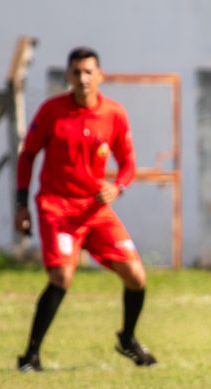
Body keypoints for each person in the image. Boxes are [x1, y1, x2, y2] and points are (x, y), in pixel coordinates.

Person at [15, 47, 157, 371]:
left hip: (94, 209)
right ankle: (30, 355)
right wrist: (21, 204)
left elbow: (129, 163)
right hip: (57, 207)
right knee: (62, 275)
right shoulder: (52, 111)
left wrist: (117, 186)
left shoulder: (114, 114)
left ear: (100, 75)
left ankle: (128, 338)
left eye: (88, 72)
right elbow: (27, 155)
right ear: (68, 76)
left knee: (136, 276)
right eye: (76, 72)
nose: (82, 78)